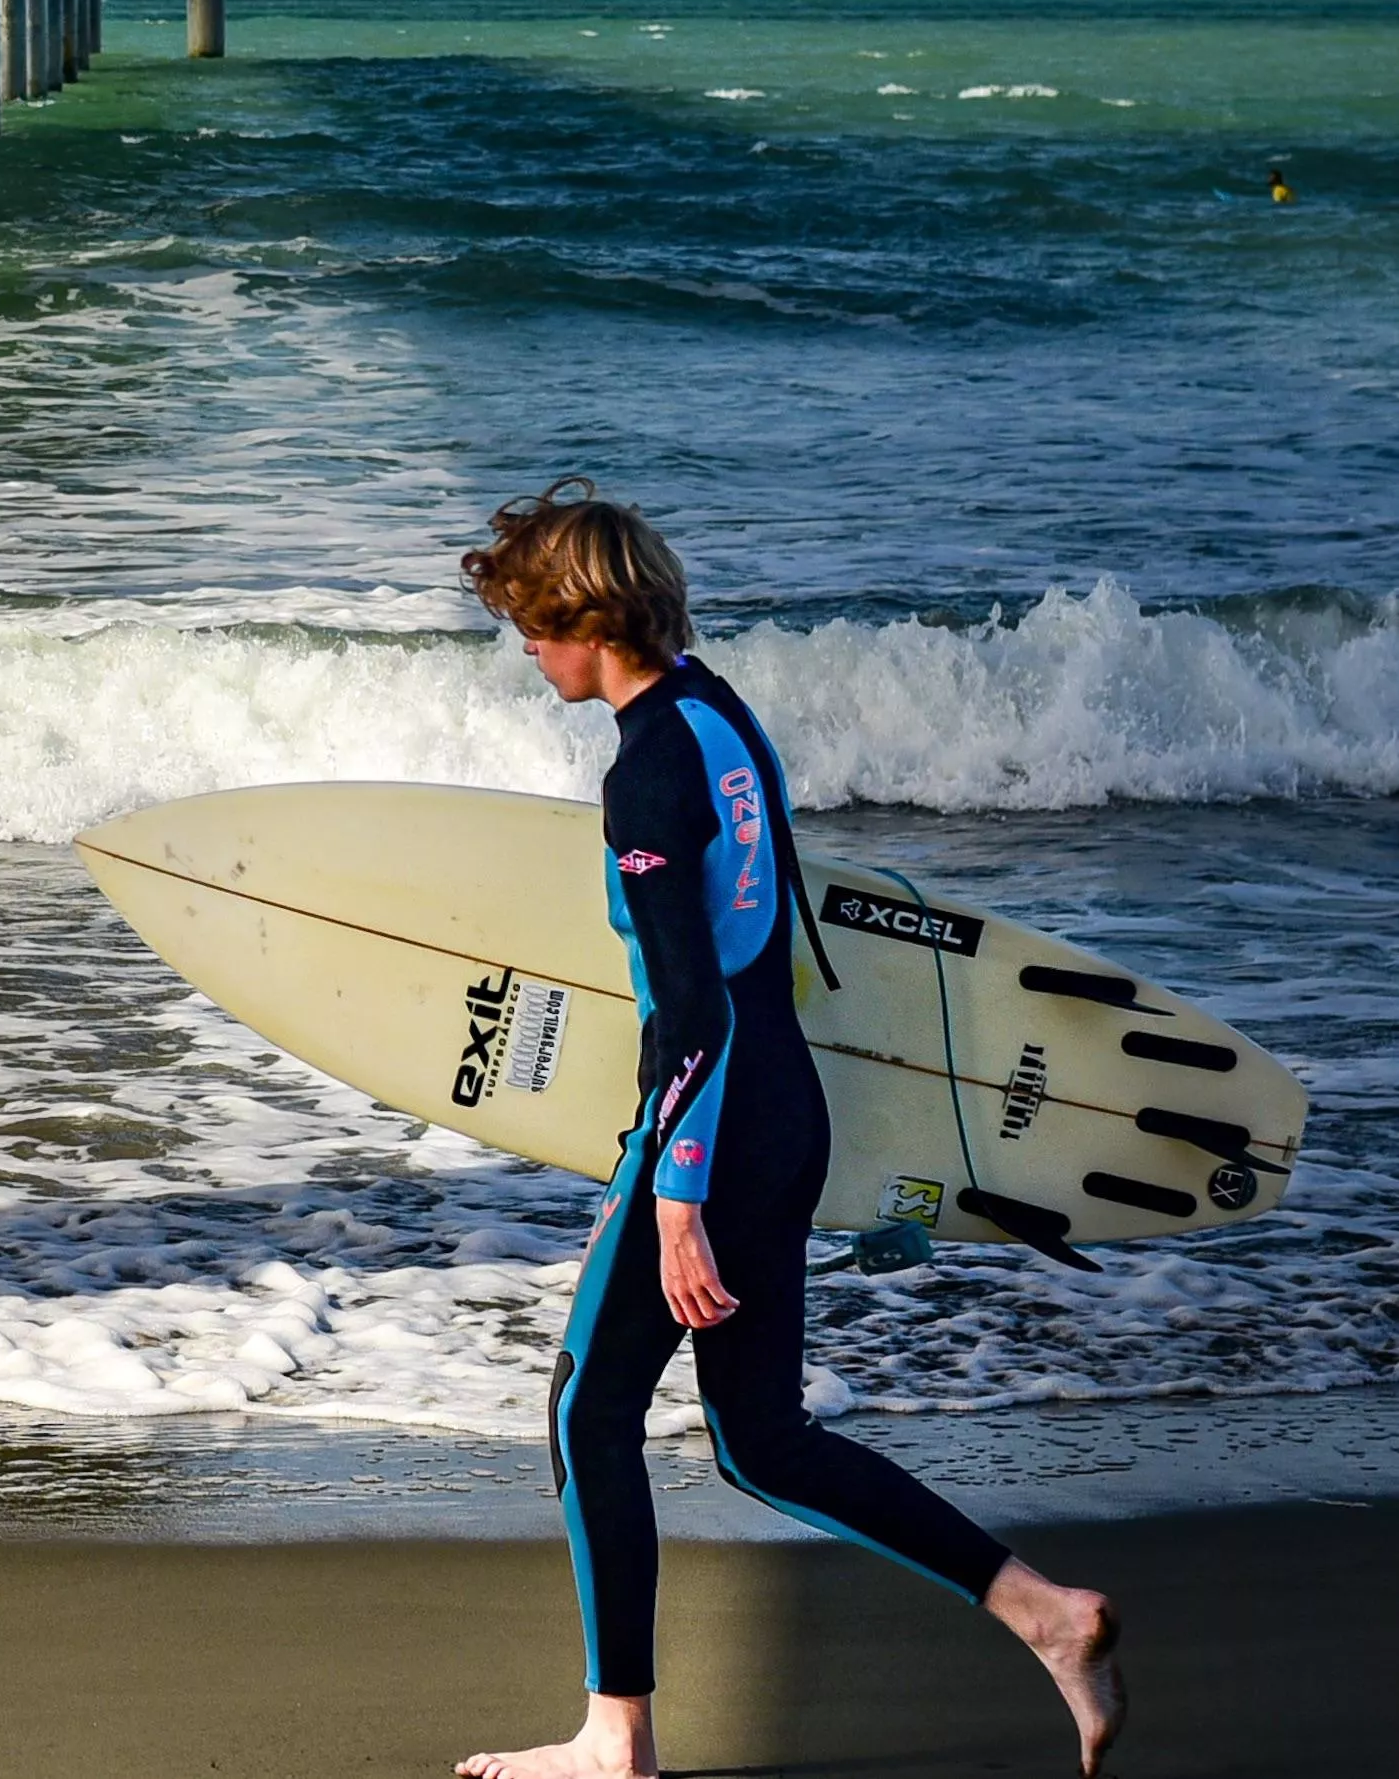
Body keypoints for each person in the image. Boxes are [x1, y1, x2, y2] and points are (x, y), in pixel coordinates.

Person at [451, 481, 1124, 1779]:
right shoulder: (719, 716)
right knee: (763, 1440)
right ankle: (1048, 1614)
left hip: (713, 1119)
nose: (527, 652)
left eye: (531, 625)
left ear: (582, 618)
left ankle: (615, 1741)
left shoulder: (646, 772)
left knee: (590, 1410)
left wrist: (672, 1193)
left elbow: (689, 1004)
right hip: (781, 1105)